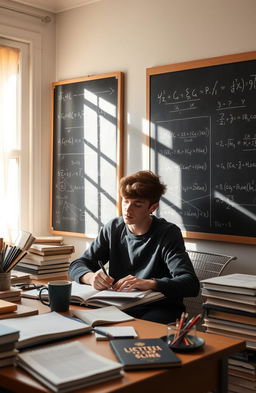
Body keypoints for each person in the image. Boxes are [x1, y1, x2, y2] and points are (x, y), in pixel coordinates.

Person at [69, 170, 200, 324]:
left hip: (159, 308)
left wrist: (150, 283)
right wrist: (91, 278)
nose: (127, 209)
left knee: (133, 332)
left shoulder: (168, 233)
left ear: (153, 207)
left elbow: (190, 284)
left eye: (137, 204)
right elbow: (77, 265)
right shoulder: (113, 228)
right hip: (119, 306)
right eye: (125, 201)